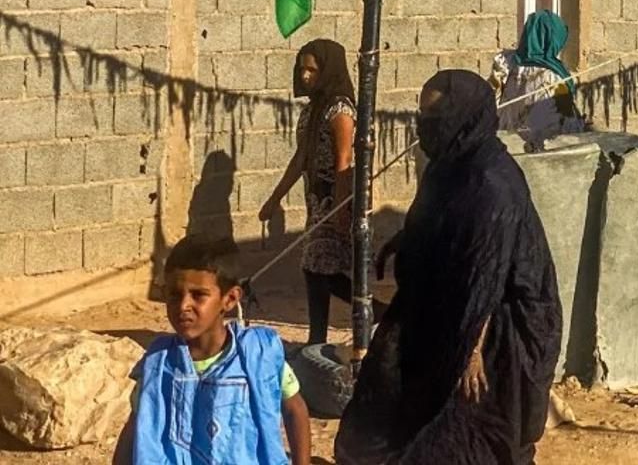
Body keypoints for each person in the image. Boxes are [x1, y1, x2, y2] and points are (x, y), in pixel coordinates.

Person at [335, 71, 562, 465]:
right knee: (382, 403)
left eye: (436, 116)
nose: (426, 126)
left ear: (464, 116)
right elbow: (436, 223)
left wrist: (470, 351)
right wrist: (404, 242)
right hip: (447, 306)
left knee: (466, 429)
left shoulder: (494, 184)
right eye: (422, 115)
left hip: (498, 326)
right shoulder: (445, 166)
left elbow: (489, 276)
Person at [114, 236, 311, 465]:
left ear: (229, 299)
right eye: (174, 295)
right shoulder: (158, 365)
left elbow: (294, 409)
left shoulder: (258, 354)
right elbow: (134, 430)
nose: (183, 306)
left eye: (198, 295)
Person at [258, 39, 358, 346]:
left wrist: (341, 209)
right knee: (318, 271)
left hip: (334, 197)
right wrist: (275, 199)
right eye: (302, 69)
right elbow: (301, 158)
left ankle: (364, 314)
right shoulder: (313, 109)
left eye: (312, 70)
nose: (305, 76)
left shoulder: (340, 109)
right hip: (316, 198)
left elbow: (343, 162)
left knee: (317, 269)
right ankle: (327, 333)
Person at [490, 11, 586, 151]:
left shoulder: (506, 63)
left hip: (505, 145)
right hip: (536, 151)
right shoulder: (552, 78)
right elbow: (563, 123)